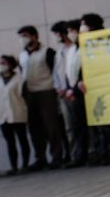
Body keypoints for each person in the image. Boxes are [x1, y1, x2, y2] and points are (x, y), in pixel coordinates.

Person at [18, 25, 65, 170]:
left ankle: (57, 156)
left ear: (34, 36)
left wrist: (58, 89)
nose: (22, 39)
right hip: (29, 94)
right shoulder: (22, 55)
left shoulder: (47, 51)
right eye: (21, 36)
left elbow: (55, 71)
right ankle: (40, 158)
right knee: (34, 128)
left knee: (51, 126)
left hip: (46, 91)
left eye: (25, 35)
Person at [77, 13, 110, 165]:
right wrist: (80, 80)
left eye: (84, 24)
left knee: (107, 122)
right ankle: (101, 153)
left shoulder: (104, 39)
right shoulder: (85, 41)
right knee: (97, 122)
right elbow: (84, 63)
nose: (81, 27)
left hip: (104, 85)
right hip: (91, 87)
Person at [0, 55, 30, 175]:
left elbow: (25, 96)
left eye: (2, 62)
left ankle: (25, 164)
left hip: (17, 112)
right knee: (10, 142)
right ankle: (13, 166)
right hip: (4, 115)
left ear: (10, 64)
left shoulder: (20, 79)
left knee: (22, 139)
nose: (0, 65)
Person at [62, 19, 89, 168]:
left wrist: (74, 89)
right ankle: (79, 155)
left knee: (84, 126)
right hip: (72, 91)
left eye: (72, 31)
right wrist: (68, 89)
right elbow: (68, 71)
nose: (70, 34)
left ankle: (88, 153)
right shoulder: (72, 49)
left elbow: (83, 70)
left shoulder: (85, 47)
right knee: (76, 126)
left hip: (82, 91)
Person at [50, 20, 77, 162]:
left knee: (81, 124)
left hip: (75, 91)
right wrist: (58, 88)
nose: (55, 36)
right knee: (69, 126)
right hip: (63, 93)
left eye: (56, 33)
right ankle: (74, 155)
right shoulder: (59, 52)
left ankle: (89, 151)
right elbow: (56, 72)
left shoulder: (75, 48)